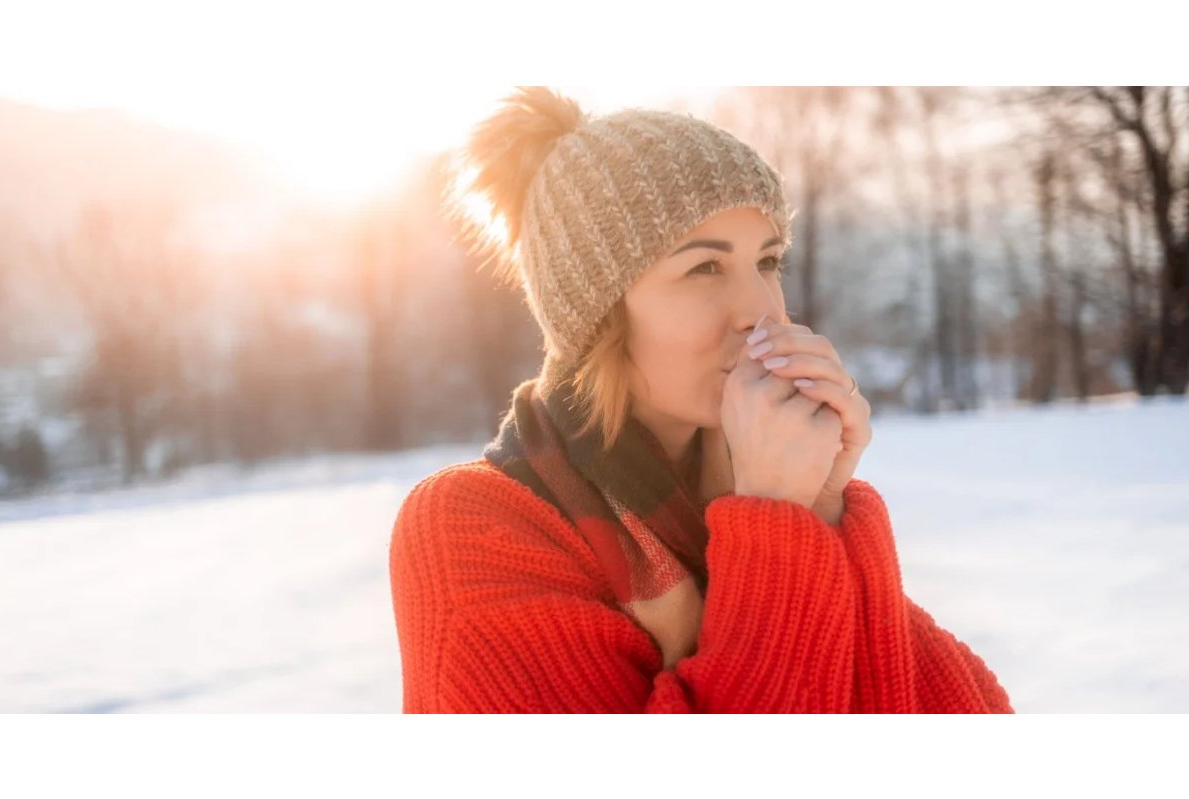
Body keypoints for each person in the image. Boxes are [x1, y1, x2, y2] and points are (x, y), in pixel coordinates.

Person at [389, 86, 1013, 713]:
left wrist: (822, 516)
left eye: (767, 262)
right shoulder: (470, 526)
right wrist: (775, 530)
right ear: (599, 316)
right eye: (703, 269)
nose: (763, 311)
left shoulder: (742, 488)